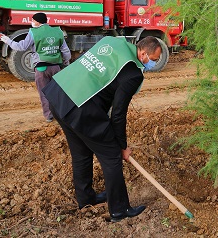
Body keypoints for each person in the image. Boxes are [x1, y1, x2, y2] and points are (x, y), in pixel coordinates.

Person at [42, 36, 162, 222]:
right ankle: (120, 211)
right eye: (153, 59)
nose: (154, 63)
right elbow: (118, 114)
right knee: (112, 157)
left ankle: (86, 200)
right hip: (80, 108)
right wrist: (121, 146)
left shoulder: (113, 42)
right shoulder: (132, 73)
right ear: (143, 53)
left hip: (58, 95)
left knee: (81, 152)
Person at [0, 12, 71, 122]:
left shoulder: (34, 32)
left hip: (41, 68)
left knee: (44, 93)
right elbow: (65, 51)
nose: (32, 22)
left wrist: (8, 41)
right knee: (58, 91)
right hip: (56, 67)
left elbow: (21, 46)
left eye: (33, 20)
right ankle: (63, 114)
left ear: (38, 21)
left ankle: (49, 116)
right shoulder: (58, 31)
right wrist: (66, 63)